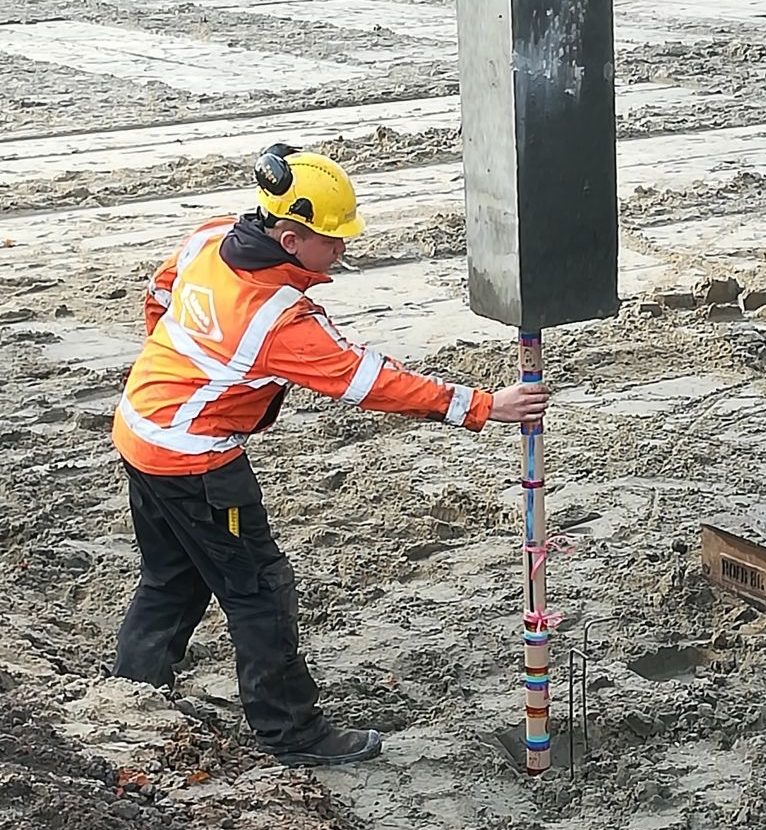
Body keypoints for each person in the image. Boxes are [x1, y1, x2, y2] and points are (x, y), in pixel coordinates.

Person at [109, 144, 549, 767]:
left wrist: (175, 359)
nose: (343, 251)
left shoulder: (210, 240)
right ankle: (292, 733)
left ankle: (131, 696)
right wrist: (483, 405)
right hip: (196, 463)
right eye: (333, 241)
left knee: (173, 577)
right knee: (261, 590)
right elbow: (367, 382)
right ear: (290, 238)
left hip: (138, 431)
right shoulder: (276, 319)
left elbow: (160, 293)